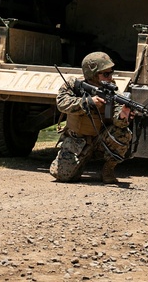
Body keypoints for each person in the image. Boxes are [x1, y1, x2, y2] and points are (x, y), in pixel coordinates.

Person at [49, 52, 134, 184]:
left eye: (111, 73)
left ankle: (108, 170)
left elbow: (118, 122)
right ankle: (79, 162)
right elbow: (62, 103)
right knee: (63, 176)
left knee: (123, 134)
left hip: (100, 139)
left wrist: (123, 115)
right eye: (106, 74)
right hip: (76, 141)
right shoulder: (73, 85)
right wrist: (88, 102)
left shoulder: (112, 91)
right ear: (92, 74)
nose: (110, 77)